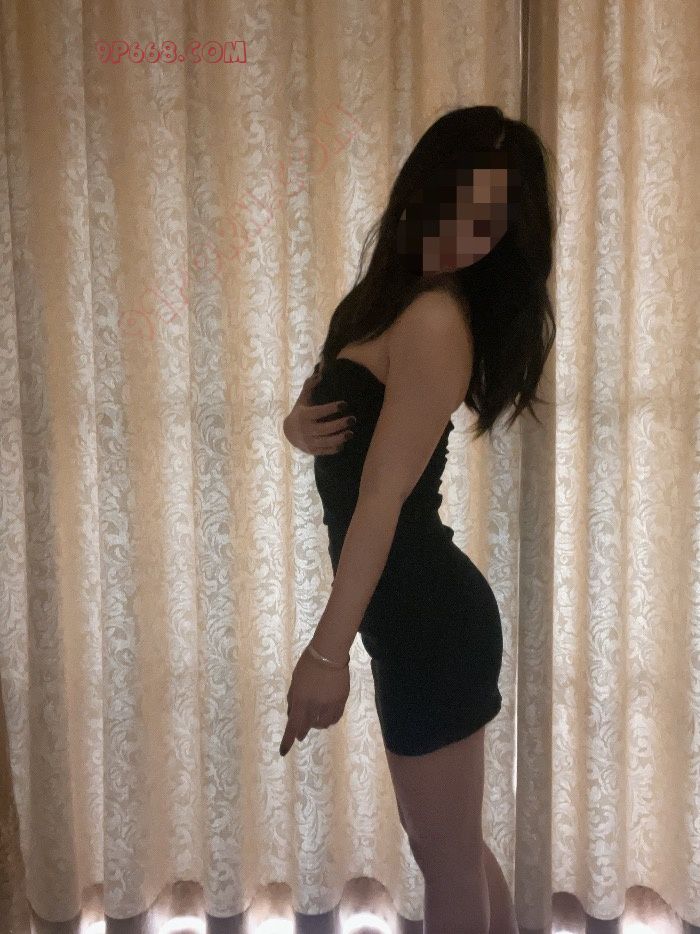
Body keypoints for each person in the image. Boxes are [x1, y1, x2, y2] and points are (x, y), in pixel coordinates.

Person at [281, 105, 556, 933]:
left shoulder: (435, 317)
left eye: (487, 223)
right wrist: (295, 425)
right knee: (450, 849)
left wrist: (325, 654)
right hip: (412, 618)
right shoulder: (385, 299)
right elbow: (341, 425)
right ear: (420, 186)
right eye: (451, 202)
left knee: (445, 857)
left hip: (431, 623)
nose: (461, 234)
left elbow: (381, 498)